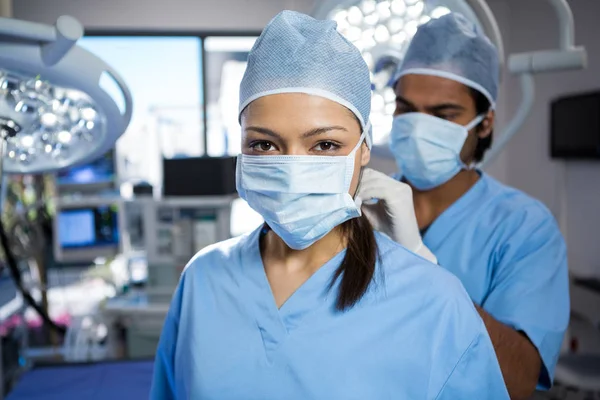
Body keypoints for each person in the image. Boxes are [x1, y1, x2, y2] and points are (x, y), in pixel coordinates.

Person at [150, 10, 509, 400]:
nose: (291, 169)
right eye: (264, 144)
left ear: (364, 149)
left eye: (324, 145)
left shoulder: (433, 299)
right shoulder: (203, 279)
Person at [358, 13, 569, 400]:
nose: (419, 126)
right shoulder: (362, 210)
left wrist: (423, 267)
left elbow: (519, 380)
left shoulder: (524, 227)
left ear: (485, 123)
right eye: (406, 109)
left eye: (443, 115)